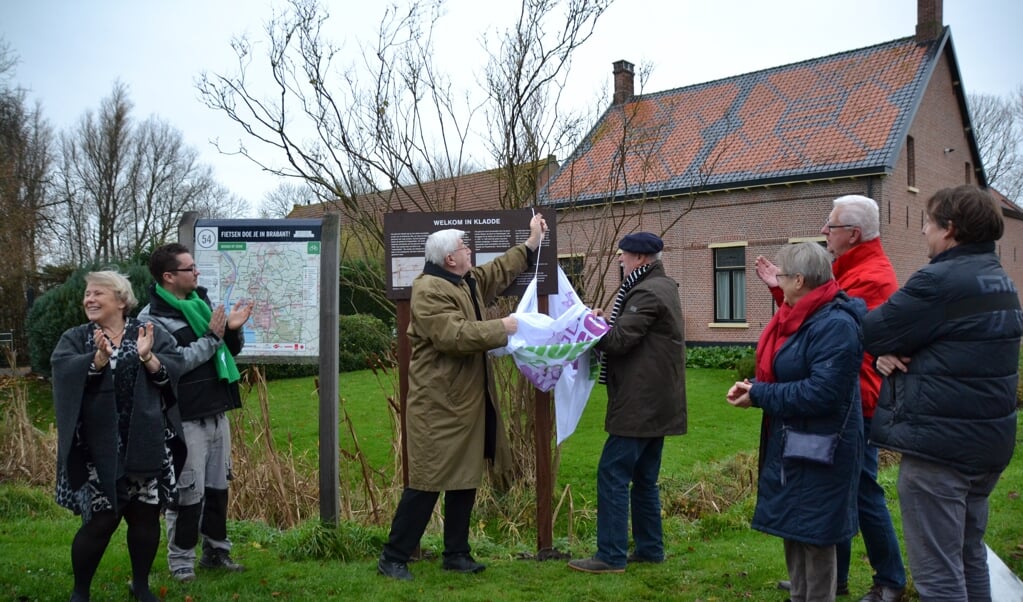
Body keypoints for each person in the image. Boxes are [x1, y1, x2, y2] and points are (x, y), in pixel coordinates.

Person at [862, 185, 1022, 600]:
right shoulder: (998, 279)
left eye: (928, 223)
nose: (923, 233)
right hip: (986, 445)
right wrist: (890, 350)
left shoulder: (940, 280)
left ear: (950, 229)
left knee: (938, 574)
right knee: (970, 557)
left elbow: (873, 329)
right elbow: (955, 345)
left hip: (940, 452)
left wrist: (885, 347)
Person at [376, 212, 548, 581]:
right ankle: (393, 557)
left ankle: (456, 553)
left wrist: (531, 244)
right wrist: (501, 327)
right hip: (438, 405)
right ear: (449, 258)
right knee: (426, 482)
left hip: (465, 402)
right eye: (464, 248)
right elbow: (452, 336)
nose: (470, 251)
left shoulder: (463, 281)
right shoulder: (428, 290)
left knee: (465, 478)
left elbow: (497, 272)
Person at [755, 195, 906, 601]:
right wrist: (782, 288)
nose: (824, 231)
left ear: (852, 234)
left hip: (851, 401)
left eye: (831, 225)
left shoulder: (870, 276)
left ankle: (889, 578)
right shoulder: (848, 268)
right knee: (827, 494)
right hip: (836, 395)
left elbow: (830, 327)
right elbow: (809, 315)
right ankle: (828, 578)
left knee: (858, 490)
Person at [727, 242, 864, 602]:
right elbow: (796, 375)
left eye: (782, 277)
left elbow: (822, 393)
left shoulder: (834, 325)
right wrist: (756, 388)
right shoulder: (803, 316)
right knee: (796, 530)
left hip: (822, 449)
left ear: (800, 281)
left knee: (816, 538)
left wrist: (761, 395)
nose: (779, 282)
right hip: (796, 444)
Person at [52, 271, 186, 602]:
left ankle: (140, 586)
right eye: (87, 294)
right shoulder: (76, 337)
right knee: (100, 520)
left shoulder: (149, 334)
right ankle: (80, 591)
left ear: (121, 301)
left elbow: (174, 372)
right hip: (97, 448)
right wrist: (95, 362)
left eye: (98, 293)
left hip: (144, 440)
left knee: (144, 517)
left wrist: (148, 357)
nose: (89, 299)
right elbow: (63, 372)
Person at [567, 231, 687, 574]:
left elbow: (619, 341)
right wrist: (607, 322)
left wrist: (590, 325)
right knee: (645, 477)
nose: (620, 259)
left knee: (612, 473)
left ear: (642, 259)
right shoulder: (660, 286)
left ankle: (610, 555)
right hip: (658, 401)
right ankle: (650, 549)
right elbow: (630, 332)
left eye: (625, 255)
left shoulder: (646, 291)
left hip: (640, 403)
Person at [137, 243, 253, 583]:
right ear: (169, 276)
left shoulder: (198, 303)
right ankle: (182, 561)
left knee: (217, 489)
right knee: (188, 493)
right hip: (184, 418)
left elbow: (225, 351)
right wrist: (214, 335)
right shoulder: (151, 318)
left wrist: (231, 330)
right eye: (190, 269)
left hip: (217, 409)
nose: (197, 272)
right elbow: (178, 363)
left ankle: (217, 552)